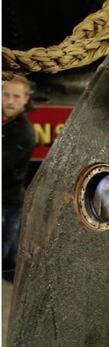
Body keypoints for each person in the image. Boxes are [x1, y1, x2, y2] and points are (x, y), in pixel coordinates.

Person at [2, 74, 36, 283]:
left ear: (25, 99)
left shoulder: (24, 132)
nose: (10, 100)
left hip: (7, 205)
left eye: (16, 96)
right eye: (6, 95)